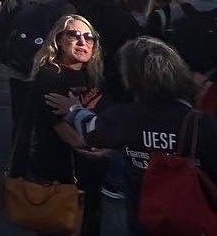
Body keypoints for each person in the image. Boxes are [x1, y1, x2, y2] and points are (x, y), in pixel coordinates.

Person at [50, 36, 217, 234]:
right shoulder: (200, 122)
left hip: (144, 219)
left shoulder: (126, 117)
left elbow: (91, 131)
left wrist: (74, 110)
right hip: (195, 222)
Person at [13, 14, 105, 236]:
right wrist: (99, 148)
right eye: (74, 35)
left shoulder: (94, 76)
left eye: (89, 37)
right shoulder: (49, 76)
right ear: (59, 40)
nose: (82, 42)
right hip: (58, 175)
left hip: (91, 175)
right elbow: (65, 131)